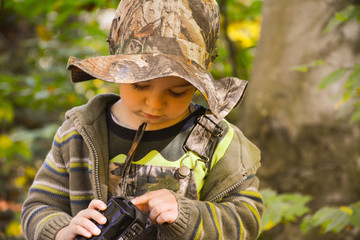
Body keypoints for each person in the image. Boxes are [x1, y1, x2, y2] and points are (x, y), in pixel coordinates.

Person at [21, 0, 263, 239]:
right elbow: (38, 207)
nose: (155, 104)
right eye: (140, 86)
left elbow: (247, 220)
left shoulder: (217, 141)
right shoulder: (79, 133)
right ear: (117, 71)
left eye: (176, 91)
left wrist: (189, 216)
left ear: (197, 86)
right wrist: (62, 231)